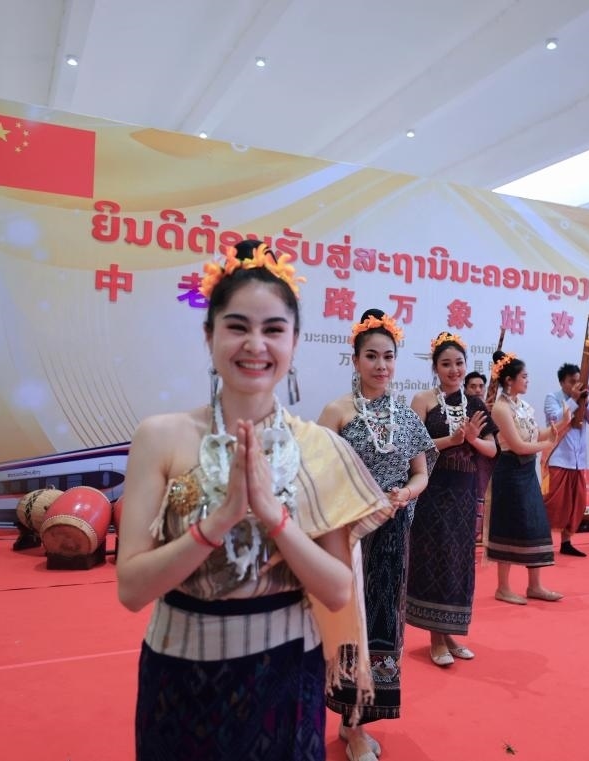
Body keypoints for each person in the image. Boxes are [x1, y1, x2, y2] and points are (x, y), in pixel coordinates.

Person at [116, 240, 394, 761]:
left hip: (285, 678)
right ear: (210, 335)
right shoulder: (160, 437)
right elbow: (131, 590)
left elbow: (337, 590)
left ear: (294, 342)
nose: (255, 344)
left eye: (273, 330)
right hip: (177, 676)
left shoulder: (319, 448)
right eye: (237, 326)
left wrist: (274, 517)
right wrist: (218, 521)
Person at [318, 308, 435, 761]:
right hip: (347, 537)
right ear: (355, 360)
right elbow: (315, 473)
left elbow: (421, 473)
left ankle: (357, 724)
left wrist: (406, 492)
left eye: (388, 357)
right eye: (371, 356)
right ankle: (348, 725)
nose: (381, 365)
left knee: (383, 629)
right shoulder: (337, 412)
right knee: (348, 625)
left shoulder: (405, 416)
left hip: (392, 537)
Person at [408, 332, 497, 667]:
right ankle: (435, 639)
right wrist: (451, 440)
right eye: (446, 364)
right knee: (436, 560)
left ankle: (449, 634)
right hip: (432, 492)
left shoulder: (475, 404)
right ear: (435, 367)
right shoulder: (423, 400)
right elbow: (412, 447)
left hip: (464, 495)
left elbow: (492, 449)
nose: (454, 369)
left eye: (459, 363)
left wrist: (472, 440)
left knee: (459, 564)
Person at [486, 350, 572, 604]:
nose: (527, 380)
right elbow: (518, 445)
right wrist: (547, 446)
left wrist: (563, 423)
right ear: (509, 380)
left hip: (526, 471)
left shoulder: (522, 406)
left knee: (535, 524)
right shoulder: (500, 408)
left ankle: (535, 585)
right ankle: (503, 587)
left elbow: (537, 435)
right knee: (509, 525)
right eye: (523, 376)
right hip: (509, 471)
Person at [543, 362, 589, 557]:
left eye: (578, 381)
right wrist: (574, 400)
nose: (576, 385)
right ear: (562, 382)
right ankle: (543, 542)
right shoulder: (553, 398)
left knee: (577, 504)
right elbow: (556, 419)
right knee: (555, 503)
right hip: (558, 458)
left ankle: (566, 542)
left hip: (578, 461)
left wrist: (586, 400)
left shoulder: (583, 399)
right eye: (572, 381)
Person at [464, 370, 493, 543]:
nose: (477, 390)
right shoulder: (462, 408)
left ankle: (483, 532)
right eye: (473, 386)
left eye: (481, 386)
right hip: (468, 461)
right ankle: (472, 535)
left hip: (488, 461)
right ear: (465, 388)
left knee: (485, 495)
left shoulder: (492, 409)